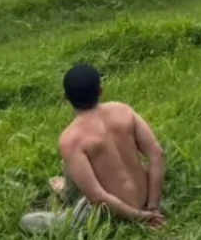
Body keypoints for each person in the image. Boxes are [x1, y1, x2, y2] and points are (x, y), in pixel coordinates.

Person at [20, 63, 166, 233]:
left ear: (66, 97)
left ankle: (65, 192)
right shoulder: (123, 111)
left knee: (27, 221)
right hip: (145, 196)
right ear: (100, 91)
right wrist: (153, 207)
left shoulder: (71, 138)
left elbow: (97, 197)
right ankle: (65, 190)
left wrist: (139, 216)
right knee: (71, 161)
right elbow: (157, 154)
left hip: (110, 214)